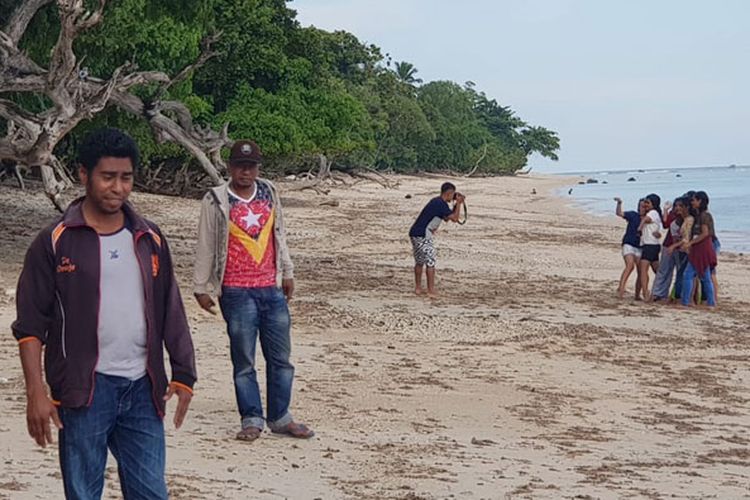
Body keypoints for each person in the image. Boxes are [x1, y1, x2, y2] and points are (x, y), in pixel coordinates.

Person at [12, 128, 196, 499]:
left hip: (143, 389)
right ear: (84, 175)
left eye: (126, 178)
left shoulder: (150, 237)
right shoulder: (55, 240)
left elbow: (169, 306)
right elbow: (31, 325)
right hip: (83, 391)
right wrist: (36, 391)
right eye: (107, 177)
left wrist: (183, 372)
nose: (118, 188)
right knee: (83, 493)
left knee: (151, 492)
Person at [193, 140, 313, 442]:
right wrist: (201, 286)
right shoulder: (215, 199)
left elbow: (280, 234)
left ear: (258, 168)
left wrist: (288, 271)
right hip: (235, 290)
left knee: (281, 359)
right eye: (239, 165)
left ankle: (280, 417)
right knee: (244, 360)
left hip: (270, 288)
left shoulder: (269, 191)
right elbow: (206, 243)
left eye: (251, 166)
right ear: (230, 167)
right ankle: (251, 418)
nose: (245, 171)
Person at [408, 182, 465, 295]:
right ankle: (431, 289)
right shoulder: (440, 204)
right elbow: (455, 218)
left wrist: (455, 205)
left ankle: (418, 288)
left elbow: (447, 218)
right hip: (423, 234)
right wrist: (459, 204)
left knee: (419, 261)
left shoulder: (436, 202)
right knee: (430, 261)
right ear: (449, 193)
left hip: (415, 232)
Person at [681, 191, 717, 307]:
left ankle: (686, 302)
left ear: (700, 201)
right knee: (705, 275)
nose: (692, 202)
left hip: (702, 247)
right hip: (700, 247)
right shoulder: (699, 215)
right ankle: (710, 302)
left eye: (694, 200)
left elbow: (705, 233)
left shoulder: (704, 216)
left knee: (689, 274)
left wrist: (690, 243)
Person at [650, 198, 681, 301]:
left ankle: (676, 295)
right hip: (668, 245)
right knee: (664, 270)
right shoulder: (674, 214)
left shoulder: (689, 217)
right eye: (676, 205)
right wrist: (665, 210)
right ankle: (657, 293)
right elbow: (665, 224)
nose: (677, 208)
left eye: (679, 206)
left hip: (680, 247)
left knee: (680, 272)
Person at [614, 197, 643, 299]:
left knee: (641, 270)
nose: (642, 208)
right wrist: (619, 203)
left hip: (640, 247)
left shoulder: (649, 218)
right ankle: (621, 289)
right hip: (628, 244)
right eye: (640, 206)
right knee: (630, 265)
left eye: (644, 206)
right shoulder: (633, 215)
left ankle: (637, 295)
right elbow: (619, 213)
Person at [637, 193, 663, 301]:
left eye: (648, 202)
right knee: (658, 271)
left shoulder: (652, 213)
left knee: (643, 270)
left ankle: (646, 294)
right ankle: (659, 291)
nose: (646, 204)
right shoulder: (655, 214)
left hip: (649, 245)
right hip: (653, 245)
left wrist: (639, 228)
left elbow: (645, 219)